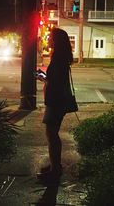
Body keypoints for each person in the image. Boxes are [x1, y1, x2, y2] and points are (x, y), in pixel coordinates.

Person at [36, 28, 73, 180]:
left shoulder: (58, 58)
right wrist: (44, 77)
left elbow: (55, 82)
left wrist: (42, 78)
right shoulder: (60, 57)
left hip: (55, 101)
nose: (48, 39)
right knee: (52, 134)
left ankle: (55, 170)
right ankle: (54, 165)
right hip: (57, 100)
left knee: (52, 134)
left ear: (56, 41)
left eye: (50, 37)